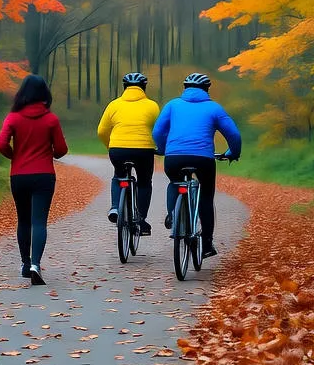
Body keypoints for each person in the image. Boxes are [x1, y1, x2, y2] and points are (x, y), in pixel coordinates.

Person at [153, 72, 241, 259]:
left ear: (185, 88)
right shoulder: (214, 108)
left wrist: (162, 148)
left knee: (175, 183)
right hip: (203, 160)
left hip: (174, 158)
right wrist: (233, 153)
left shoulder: (172, 105)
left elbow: (158, 131)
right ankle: (207, 243)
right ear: (207, 89)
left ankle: (173, 216)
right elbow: (234, 135)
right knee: (206, 197)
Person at [0, 74, 68, 286]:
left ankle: (25, 264)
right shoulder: (51, 119)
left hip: (19, 175)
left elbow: (0, 144)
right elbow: (62, 150)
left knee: (24, 220)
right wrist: (52, 153)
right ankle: (36, 264)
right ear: (44, 94)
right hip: (44, 175)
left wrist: (14, 156)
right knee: (39, 222)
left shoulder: (13, 117)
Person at [97, 72, 160, 234]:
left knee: (118, 176)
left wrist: (109, 146)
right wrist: (158, 146)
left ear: (124, 87)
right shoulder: (152, 105)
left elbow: (102, 131)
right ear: (144, 88)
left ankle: (115, 208)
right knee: (144, 182)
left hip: (117, 149)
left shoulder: (114, 105)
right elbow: (159, 130)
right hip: (144, 150)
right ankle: (141, 219)